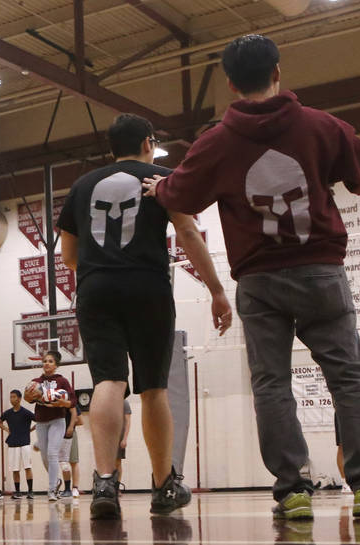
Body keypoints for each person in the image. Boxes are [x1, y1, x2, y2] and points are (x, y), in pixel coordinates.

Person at [142, 33, 360, 520]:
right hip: (321, 271)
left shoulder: (215, 143)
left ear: (230, 83)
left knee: (272, 384)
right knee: (348, 379)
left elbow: (178, 195)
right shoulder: (321, 126)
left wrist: (160, 188)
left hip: (260, 281)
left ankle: (294, 491)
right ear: (278, 72)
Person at [56, 113, 231, 519]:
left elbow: (68, 256)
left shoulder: (82, 186)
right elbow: (187, 233)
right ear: (149, 142)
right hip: (148, 287)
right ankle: (163, 484)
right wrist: (217, 291)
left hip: (96, 289)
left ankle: (103, 481)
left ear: (111, 147)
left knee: (108, 381)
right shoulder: (164, 178)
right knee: (152, 388)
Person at [23, 350, 74, 502]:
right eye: (45, 361)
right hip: (41, 421)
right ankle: (56, 481)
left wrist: (61, 402)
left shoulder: (62, 381)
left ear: (56, 365)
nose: (47, 363)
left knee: (52, 453)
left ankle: (51, 490)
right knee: (45, 457)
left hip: (57, 420)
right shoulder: (35, 382)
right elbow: (27, 399)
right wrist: (28, 395)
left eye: (50, 361)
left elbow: (72, 402)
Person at [0, 389, 37, 498]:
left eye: (14, 397)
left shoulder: (25, 412)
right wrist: (6, 429)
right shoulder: (8, 413)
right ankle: (18, 491)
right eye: (10, 397)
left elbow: (39, 421)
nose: (12, 399)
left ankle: (30, 491)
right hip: (13, 443)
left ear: (19, 399)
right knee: (15, 469)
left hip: (25, 443)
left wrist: (30, 430)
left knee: (27, 467)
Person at [57, 402, 82, 498]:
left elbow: (80, 421)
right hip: (59, 435)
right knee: (64, 463)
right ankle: (66, 488)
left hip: (70, 434)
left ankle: (75, 488)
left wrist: (70, 425)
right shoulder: (56, 404)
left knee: (73, 461)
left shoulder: (72, 404)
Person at [115, 399, 132, 481]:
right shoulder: (107, 401)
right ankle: (108, 486)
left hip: (119, 436)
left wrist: (125, 438)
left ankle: (116, 487)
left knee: (117, 463)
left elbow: (128, 421)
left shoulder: (124, 402)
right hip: (108, 437)